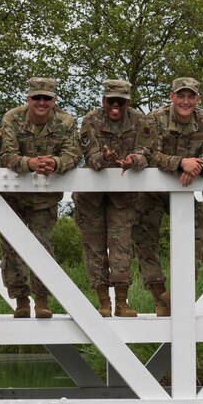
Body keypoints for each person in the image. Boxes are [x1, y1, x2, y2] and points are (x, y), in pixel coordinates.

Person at [0, 77, 81, 319]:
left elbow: (73, 155)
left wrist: (55, 162)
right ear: (28, 99)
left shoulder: (66, 121)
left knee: (42, 245)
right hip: (12, 196)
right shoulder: (12, 118)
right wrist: (29, 163)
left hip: (44, 199)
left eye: (46, 98)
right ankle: (21, 299)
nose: (41, 102)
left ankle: (42, 299)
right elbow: (5, 155)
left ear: (54, 101)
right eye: (37, 98)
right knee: (10, 248)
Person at [137, 77, 203, 317]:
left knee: (197, 229)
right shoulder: (154, 119)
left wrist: (198, 166)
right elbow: (149, 153)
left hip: (182, 191)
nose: (186, 101)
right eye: (181, 96)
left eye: (191, 96)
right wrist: (179, 163)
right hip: (150, 191)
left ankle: (178, 291)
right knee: (144, 239)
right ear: (171, 96)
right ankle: (158, 295)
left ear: (197, 99)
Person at [73, 79, 149, 318]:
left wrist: (132, 160)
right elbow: (90, 156)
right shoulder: (90, 120)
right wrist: (106, 158)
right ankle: (103, 302)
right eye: (111, 101)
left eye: (121, 101)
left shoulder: (139, 120)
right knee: (94, 248)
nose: (115, 105)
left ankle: (122, 302)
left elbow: (146, 151)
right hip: (92, 198)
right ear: (103, 100)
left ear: (128, 102)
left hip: (124, 197)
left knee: (122, 248)